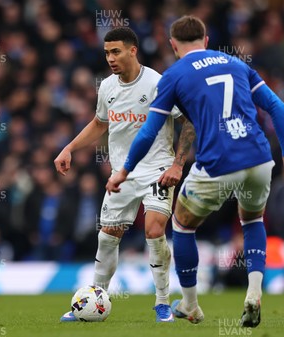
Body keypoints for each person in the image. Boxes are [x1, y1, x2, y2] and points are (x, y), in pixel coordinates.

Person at [106, 16, 284, 327]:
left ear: (173, 46)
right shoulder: (237, 64)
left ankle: (189, 304)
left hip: (218, 162)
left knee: (183, 225)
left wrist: (124, 170)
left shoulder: (173, 76)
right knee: (252, 218)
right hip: (259, 157)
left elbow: (149, 131)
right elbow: (278, 107)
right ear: (207, 40)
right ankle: (254, 293)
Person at [54, 27, 195, 322]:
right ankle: (94, 300)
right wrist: (69, 148)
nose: (110, 58)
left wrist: (178, 164)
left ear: (133, 50)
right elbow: (98, 123)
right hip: (122, 174)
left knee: (154, 231)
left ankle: (162, 303)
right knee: (107, 238)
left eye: (116, 51)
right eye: (106, 53)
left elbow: (189, 123)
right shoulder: (107, 87)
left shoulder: (159, 82)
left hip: (157, 170)